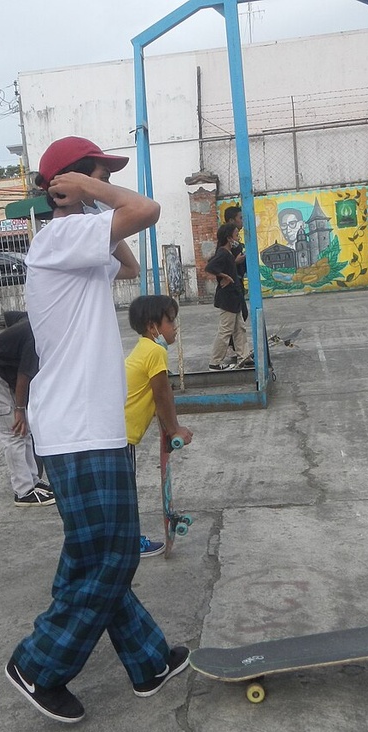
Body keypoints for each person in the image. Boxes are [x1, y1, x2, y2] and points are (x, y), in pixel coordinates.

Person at [5, 135, 190, 724]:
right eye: (97, 172)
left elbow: (130, 262)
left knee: (95, 554)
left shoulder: (79, 242)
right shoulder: (60, 236)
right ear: (70, 183)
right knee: (111, 555)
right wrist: (85, 193)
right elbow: (147, 211)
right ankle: (38, 663)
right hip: (78, 427)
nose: (104, 182)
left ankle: (149, 659)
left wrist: (90, 195)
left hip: (88, 425)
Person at [123, 295, 194, 559]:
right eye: (170, 321)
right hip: (122, 435)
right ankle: (129, 544)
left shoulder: (144, 348)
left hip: (118, 431)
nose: (174, 327)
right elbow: (162, 395)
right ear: (153, 326)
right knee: (125, 494)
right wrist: (175, 429)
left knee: (122, 490)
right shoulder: (155, 351)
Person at [0, 313, 55, 507]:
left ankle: (33, 481)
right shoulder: (37, 335)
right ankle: (23, 491)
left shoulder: (36, 324)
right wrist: (19, 409)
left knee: (24, 431)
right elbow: (24, 374)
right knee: (14, 434)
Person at [204, 222, 253, 371]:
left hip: (234, 296)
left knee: (240, 328)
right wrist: (224, 276)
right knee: (226, 330)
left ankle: (244, 357)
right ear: (228, 237)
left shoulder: (228, 254)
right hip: (228, 298)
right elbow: (210, 267)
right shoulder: (223, 253)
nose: (238, 237)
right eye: (236, 235)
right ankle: (215, 362)